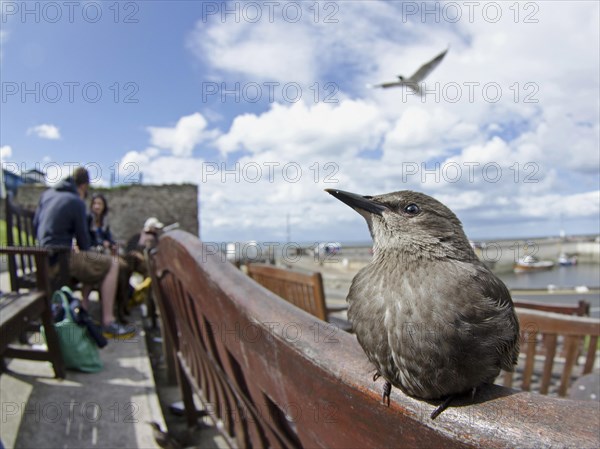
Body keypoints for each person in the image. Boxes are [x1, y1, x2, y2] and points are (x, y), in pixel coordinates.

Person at [33, 166, 135, 338]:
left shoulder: (46, 195)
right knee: (112, 264)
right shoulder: (76, 201)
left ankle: (86, 308)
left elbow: (35, 226)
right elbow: (84, 243)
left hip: (40, 259)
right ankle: (108, 321)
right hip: (60, 260)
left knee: (92, 264)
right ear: (83, 186)